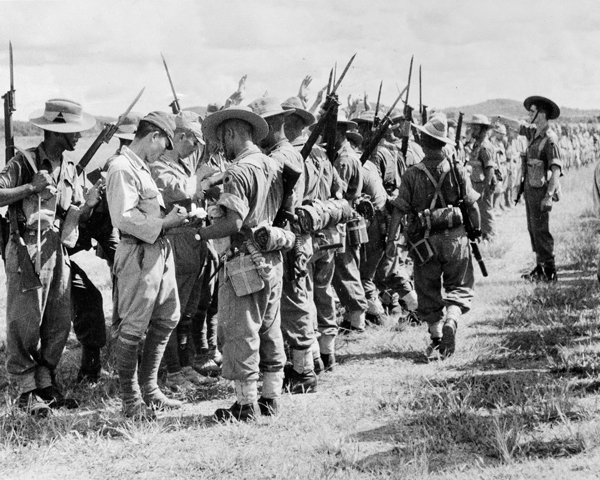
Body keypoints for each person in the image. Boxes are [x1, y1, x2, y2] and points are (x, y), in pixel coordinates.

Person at [0, 98, 98, 414]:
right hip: (27, 250)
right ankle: (26, 391)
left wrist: (88, 206)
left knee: (58, 322)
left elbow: (75, 213)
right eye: (73, 131)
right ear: (56, 132)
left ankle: (46, 382)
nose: (79, 136)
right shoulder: (22, 162)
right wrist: (30, 187)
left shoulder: (71, 169)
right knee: (25, 322)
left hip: (58, 251)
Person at [197, 105, 286, 421]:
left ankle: (245, 405)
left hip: (243, 262)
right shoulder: (269, 165)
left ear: (232, 133)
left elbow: (233, 223)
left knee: (240, 332)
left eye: (223, 139)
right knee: (270, 328)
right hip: (272, 259)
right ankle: (270, 399)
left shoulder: (236, 171)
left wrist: (200, 232)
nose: (222, 147)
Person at [106, 111, 189, 419]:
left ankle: (150, 390)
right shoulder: (121, 167)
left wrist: (171, 221)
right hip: (138, 255)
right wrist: (165, 222)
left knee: (169, 315)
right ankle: (131, 400)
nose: (162, 152)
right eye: (163, 144)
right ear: (153, 136)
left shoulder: (139, 168)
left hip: (157, 250)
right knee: (132, 327)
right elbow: (124, 217)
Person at [389, 114, 480, 359]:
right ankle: (452, 319)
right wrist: (477, 231)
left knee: (427, 289)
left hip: (424, 241)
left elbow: (399, 209)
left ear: (423, 140)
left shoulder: (411, 174)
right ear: (443, 143)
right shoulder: (457, 169)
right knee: (459, 286)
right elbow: (472, 206)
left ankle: (437, 336)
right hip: (455, 238)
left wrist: (390, 242)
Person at [248, 96, 318, 394]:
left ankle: (304, 371)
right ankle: (304, 363)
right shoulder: (285, 154)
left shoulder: (281, 157)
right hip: (288, 238)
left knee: (292, 304)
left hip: (287, 239)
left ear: (273, 125)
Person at [150, 110, 217, 390]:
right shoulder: (160, 165)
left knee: (188, 311)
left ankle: (186, 366)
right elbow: (174, 191)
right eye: (193, 142)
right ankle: (174, 371)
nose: (195, 149)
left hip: (194, 240)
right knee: (172, 311)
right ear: (180, 137)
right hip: (176, 242)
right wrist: (199, 180)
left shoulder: (184, 165)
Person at [282, 96, 344, 372]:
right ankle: (327, 352)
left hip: (304, 236)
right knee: (324, 291)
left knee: (301, 297)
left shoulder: (292, 157)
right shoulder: (321, 155)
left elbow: (291, 202)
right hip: (328, 233)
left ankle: (310, 359)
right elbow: (338, 192)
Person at [500, 96, 563, 281]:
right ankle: (540, 267)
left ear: (542, 114)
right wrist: (500, 118)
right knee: (533, 229)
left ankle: (549, 271)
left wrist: (549, 196)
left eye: (532, 111)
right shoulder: (534, 134)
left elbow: (556, 170)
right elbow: (517, 126)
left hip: (541, 191)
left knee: (541, 231)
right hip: (531, 190)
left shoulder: (550, 139)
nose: (529, 114)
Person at [332, 111, 369, 332]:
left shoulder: (344, 159)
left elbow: (339, 193)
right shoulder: (346, 154)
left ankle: (356, 320)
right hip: (351, 218)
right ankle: (353, 317)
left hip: (346, 219)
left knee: (345, 269)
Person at [465, 114, 496, 242]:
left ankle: (490, 237)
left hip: (482, 185)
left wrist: (486, 188)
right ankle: (483, 237)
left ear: (483, 130)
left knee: (486, 212)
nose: (472, 131)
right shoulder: (476, 145)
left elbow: (490, 169)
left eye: (476, 129)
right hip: (475, 184)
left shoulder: (485, 147)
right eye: (472, 128)